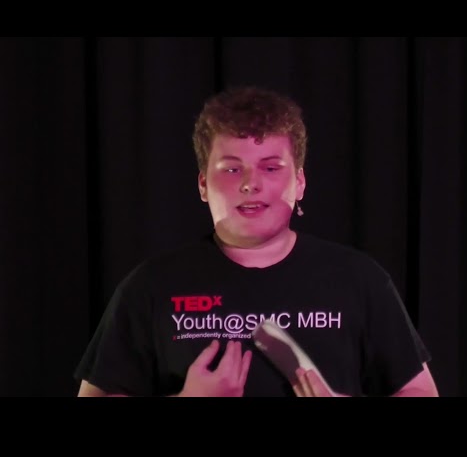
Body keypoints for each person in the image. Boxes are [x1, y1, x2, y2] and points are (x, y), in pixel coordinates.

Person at [75, 85, 439, 397]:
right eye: (232, 169)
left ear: (300, 182)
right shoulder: (151, 286)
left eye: (271, 167)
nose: (251, 183)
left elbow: (420, 391)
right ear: (203, 184)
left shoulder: (358, 280)